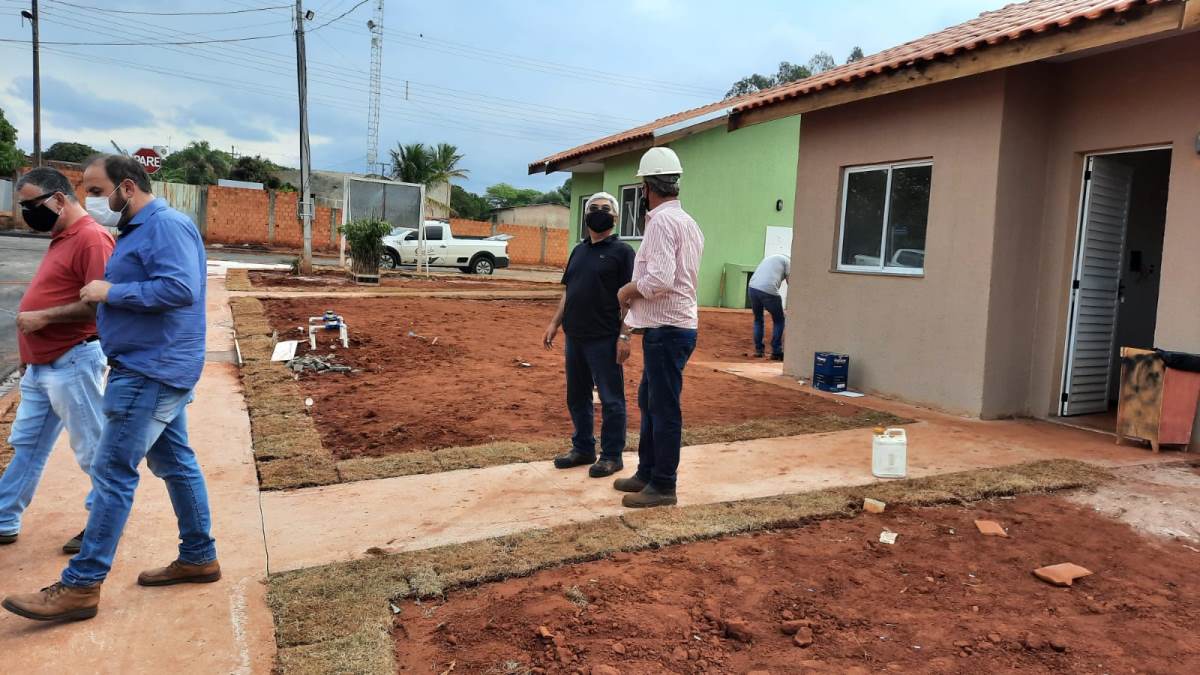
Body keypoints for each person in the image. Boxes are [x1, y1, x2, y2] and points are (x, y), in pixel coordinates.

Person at [3, 155, 217, 623]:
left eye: (96, 191)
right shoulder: (139, 229)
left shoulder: (165, 225)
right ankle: (199, 554)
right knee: (174, 461)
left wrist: (109, 293)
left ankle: (81, 586)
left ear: (126, 186)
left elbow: (180, 289)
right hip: (150, 364)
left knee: (112, 472)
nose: (90, 200)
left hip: (149, 370)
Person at [0, 168, 114, 555]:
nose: (29, 213)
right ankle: (3, 517)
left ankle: (101, 524)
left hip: (73, 361)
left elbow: (102, 306)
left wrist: (45, 317)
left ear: (59, 199)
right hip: (43, 366)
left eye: (33, 205)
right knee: (27, 444)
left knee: (92, 449)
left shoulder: (91, 238)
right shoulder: (62, 236)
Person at [613, 147, 704, 509]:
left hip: (668, 331)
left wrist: (626, 290)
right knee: (649, 400)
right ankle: (648, 472)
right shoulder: (688, 222)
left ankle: (664, 484)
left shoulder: (662, 223)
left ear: (648, 187)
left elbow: (660, 279)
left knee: (663, 408)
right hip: (672, 327)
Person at [543, 192, 635, 478]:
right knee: (577, 396)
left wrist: (625, 336)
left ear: (615, 216)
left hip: (605, 338)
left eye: (605, 208)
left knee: (610, 399)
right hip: (575, 336)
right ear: (585, 215)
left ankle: (611, 455)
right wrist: (555, 323)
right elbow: (570, 290)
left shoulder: (623, 252)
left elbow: (633, 300)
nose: (598, 212)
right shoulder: (578, 250)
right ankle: (583, 448)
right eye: (593, 208)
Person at [748, 254, 789, 360]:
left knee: (758, 319)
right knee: (779, 320)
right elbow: (792, 283)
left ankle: (759, 350)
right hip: (769, 290)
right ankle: (776, 351)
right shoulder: (789, 263)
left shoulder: (771, 258)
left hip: (752, 288)